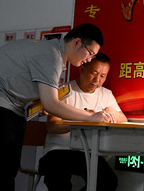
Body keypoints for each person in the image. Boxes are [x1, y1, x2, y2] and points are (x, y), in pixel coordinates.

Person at [0, 23, 113, 190]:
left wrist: (39, 104)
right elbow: (51, 104)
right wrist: (90, 117)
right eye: (90, 53)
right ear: (76, 43)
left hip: (13, 110)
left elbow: (41, 97)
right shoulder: (51, 55)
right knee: (3, 171)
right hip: (4, 109)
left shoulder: (54, 54)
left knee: (8, 170)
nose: (89, 59)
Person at [39, 52, 127, 191]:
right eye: (94, 73)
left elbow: (123, 119)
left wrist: (111, 111)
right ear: (82, 70)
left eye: (102, 76)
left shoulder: (106, 94)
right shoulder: (64, 91)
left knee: (108, 181)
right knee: (58, 180)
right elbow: (52, 127)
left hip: (88, 153)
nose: (97, 80)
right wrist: (86, 119)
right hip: (59, 151)